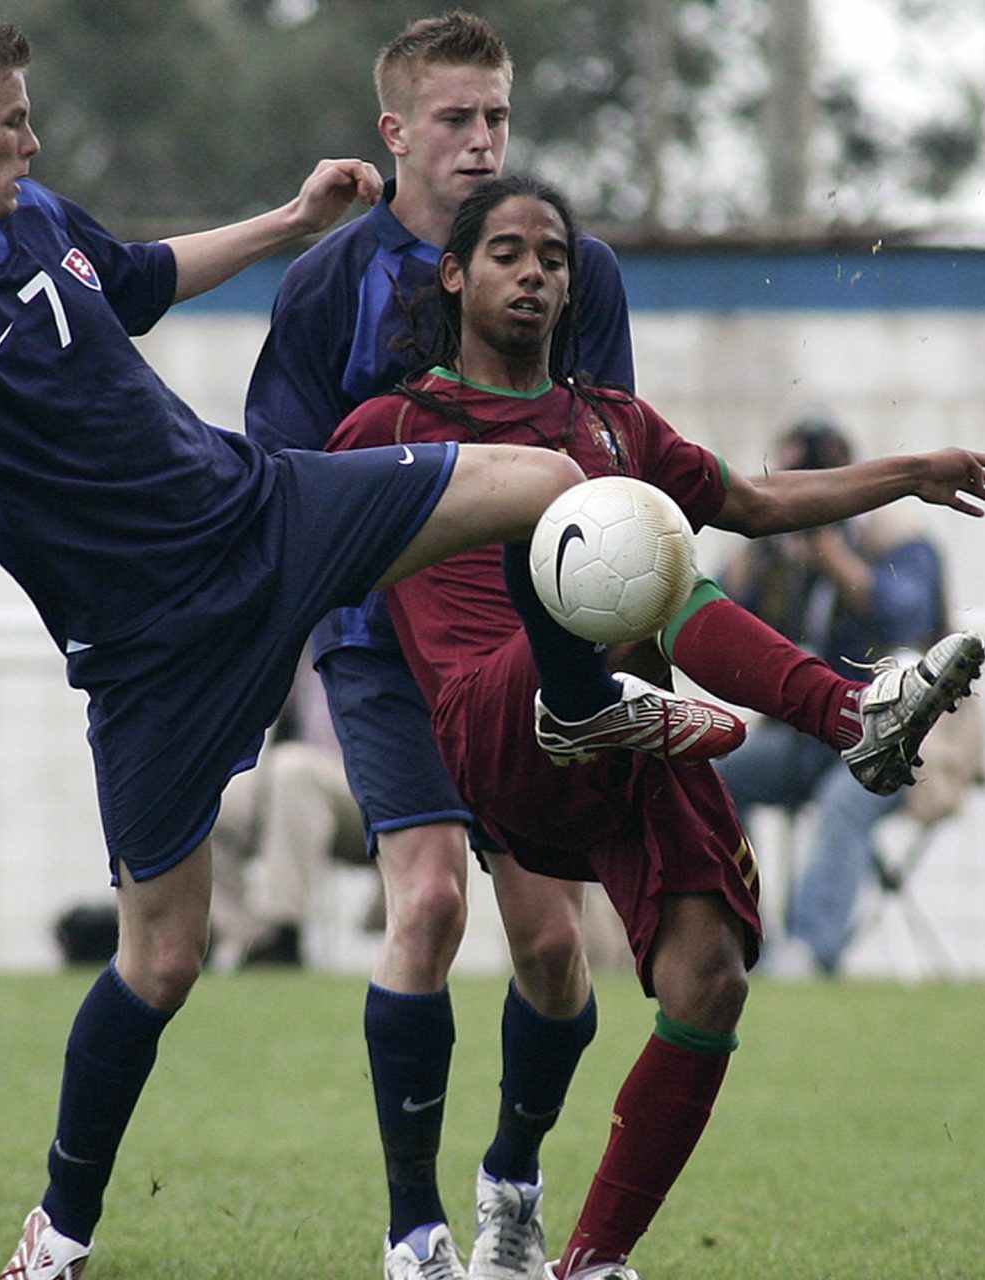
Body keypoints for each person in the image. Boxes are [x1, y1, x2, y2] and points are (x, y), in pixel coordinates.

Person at [0, 5, 739, 1277]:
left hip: (257, 512)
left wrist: (291, 224)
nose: (36, 136)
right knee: (163, 954)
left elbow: (142, 278)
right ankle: (56, 1234)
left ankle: (583, 700)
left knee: (552, 477)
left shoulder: (42, 223)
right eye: (14, 122)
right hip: (147, 650)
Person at [327, 173, 985, 1280]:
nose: (535, 272)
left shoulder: (610, 420)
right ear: (454, 274)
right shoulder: (390, 425)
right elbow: (308, 544)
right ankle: (845, 710)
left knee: (710, 976)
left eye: (553, 255)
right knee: (601, 529)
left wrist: (913, 472)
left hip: (630, 732)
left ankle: (589, 1257)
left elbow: (758, 499)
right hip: (497, 723)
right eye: (506, 252)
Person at [242, 16, 632, 1276]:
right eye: (456, 120)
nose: (481, 142)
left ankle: (512, 1175)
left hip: (530, 646)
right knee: (424, 900)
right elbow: (281, 486)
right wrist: (258, 657)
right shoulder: (322, 286)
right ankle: (416, 1227)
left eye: (497, 118)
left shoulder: (580, 271)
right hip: (377, 643)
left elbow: (607, 461)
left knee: (558, 950)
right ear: (394, 134)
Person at [714, 417, 976, 977]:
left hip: (909, 744)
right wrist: (756, 566)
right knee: (714, 775)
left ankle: (810, 953)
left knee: (843, 801)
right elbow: (729, 617)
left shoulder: (896, 538)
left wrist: (837, 559)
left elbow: (910, 617)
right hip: (812, 736)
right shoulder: (780, 553)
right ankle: (740, 939)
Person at [208, 657, 370, 968]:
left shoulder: (374, 624)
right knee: (211, 809)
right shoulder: (297, 644)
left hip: (374, 789)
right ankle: (247, 941)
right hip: (300, 787)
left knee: (293, 771)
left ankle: (283, 934)